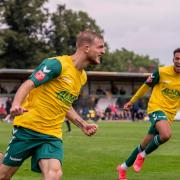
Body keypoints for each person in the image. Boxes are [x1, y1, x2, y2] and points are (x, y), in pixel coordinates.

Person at [0, 30, 105, 180]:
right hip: (28, 128)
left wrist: (82, 124)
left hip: (52, 134)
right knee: (3, 176)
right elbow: (28, 84)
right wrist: (16, 104)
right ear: (87, 48)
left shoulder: (82, 77)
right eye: (100, 47)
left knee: (54, 175)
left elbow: (65, 104)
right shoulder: (56, 64)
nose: (103, 51)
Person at [117, 48, 180, 180]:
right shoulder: (162, 72)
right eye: (177, 59)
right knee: (166, 135)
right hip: (156, 108)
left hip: (169, 115)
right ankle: (143, 156)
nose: (179, 62)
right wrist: (131, 101)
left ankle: (122, 167)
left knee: (144, 144)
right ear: (173, 59)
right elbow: (145, 86)